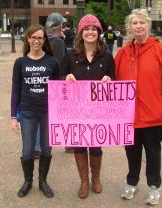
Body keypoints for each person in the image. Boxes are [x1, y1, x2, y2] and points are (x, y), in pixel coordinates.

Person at [114, 10, 162, 206]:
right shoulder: (123, 53)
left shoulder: (160, 51)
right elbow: (113, 81)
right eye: (135, 23)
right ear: (130, 27)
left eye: (142, 22)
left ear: (148, 25)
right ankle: (131, 183)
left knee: (153, 154)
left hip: (153, 116)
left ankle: (154, 187)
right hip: (129, 116)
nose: (138, 26)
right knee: (132, 153)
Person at [61, 14, 115, 199]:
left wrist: (109, 80)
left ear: (99, 32)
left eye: (94, 29)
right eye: (87, 29)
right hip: (76, 110)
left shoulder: (106, 56)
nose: (90, 32)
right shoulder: (70, 55)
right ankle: (84, 181)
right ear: (81, 32)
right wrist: (66, 78)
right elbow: (60, 78)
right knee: (79, 146)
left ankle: (96, 178)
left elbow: (114, 79)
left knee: (96, 146)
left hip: (98, 110)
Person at [10, 24, 60, 198]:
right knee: (28, 150)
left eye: (40, 38)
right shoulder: (20, 62)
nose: (37, 40)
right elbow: (16, 89)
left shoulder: (52, 62)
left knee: (46, 149)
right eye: (34, 37)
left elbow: (59, 89)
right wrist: (12, 116)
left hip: (48, 112)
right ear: (28, 39)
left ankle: (43, 181)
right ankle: (28, 180)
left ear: (44, 40)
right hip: (27, 111)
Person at [46, 12, 74, 153]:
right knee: (64, 114)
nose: (63, 27)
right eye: (62, 24)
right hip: (57, 82)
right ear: (58, 25)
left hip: (43, 82)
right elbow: (63, 62)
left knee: (43, 115)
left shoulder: (43, 38)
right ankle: (69, 143)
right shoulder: (58, 42)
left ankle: (38, 147)